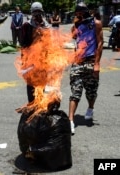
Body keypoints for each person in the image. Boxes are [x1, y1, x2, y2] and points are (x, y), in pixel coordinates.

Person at [69, 2, 103, 135]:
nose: (78, 15)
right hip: (78, 61)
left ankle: (90, 107)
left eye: (80, 13)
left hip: (91, 61)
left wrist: (97, 63)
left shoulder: (96, 23)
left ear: (86, 12)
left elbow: (100, 43)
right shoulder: (77, 24)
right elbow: (74, 37)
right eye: (76, 13)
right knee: (75, 91)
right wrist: (75, 25)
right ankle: (70, 120)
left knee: (91, 92)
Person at [20, 2, 50, 103]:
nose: (37, 15)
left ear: (42, 12)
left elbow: (49, 43)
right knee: (31, 83)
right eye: (35, 12)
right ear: (32, 13)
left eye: (39, 12)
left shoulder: (46, 25)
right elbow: (23, 45)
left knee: (42, 82)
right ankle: (32, 104)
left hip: (43, 59)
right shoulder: (27, 25)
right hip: (31, 59)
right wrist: (24, 61)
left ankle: (40, 103)